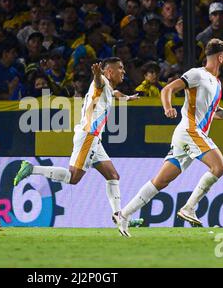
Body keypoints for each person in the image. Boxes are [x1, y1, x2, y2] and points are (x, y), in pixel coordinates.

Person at [114, 39, 223, 237]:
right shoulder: (197, 74)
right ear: (220, 57)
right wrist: (168, 107)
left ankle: (124, 214)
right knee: (219, 167)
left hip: (187, 135)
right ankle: (189, 207)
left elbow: (215, 112)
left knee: (160, 181)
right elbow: (167, 89)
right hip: (190, 131)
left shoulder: (218, 84)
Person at [13, 57, 143, 227]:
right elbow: (98, 83)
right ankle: (31, 169)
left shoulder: (108, 88)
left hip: (94, 138)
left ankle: (119, 216)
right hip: (89, 135)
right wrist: (97, 75)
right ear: (109, 72)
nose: (123, 71)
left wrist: (128, 98)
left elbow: (115, 94)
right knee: (73, 177)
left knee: (113, 175)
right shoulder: (102, 81)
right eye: (120, 68)